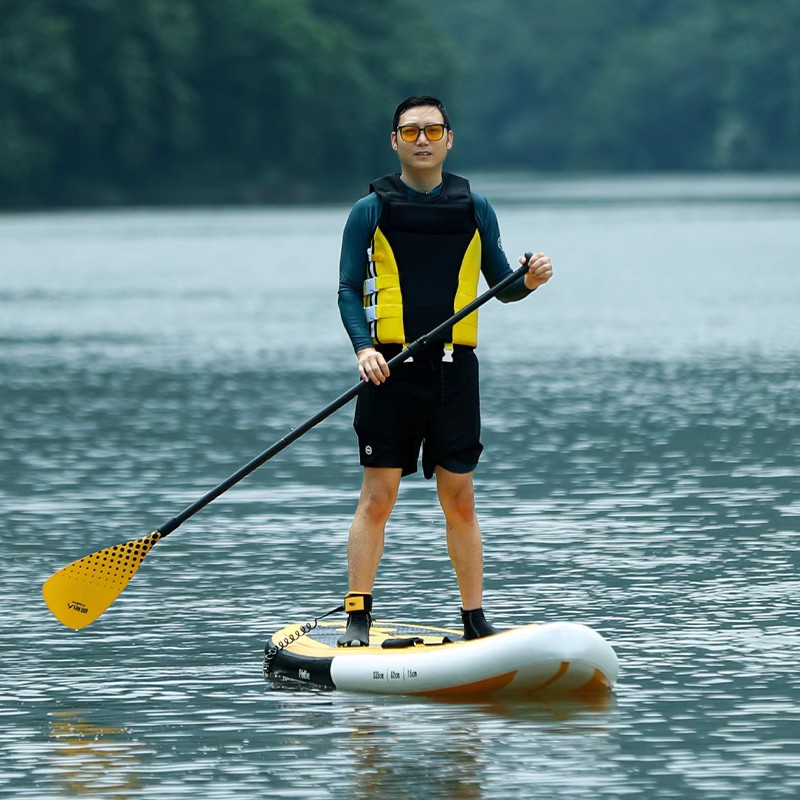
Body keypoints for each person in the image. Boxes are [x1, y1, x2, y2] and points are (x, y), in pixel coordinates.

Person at [336, 95, 553, 646]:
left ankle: (475, 619)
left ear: (449, 139)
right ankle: (358, 615)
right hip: (388, 370)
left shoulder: (476, 208)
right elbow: (345, 288)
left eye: (433, 130)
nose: (423, 140)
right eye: (411, 132)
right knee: (378, 497)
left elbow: (502, 286)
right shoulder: (371, 209)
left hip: (454, 372)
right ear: (395, 142)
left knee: (460, 498)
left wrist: (528, 281)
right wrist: (364, 348)